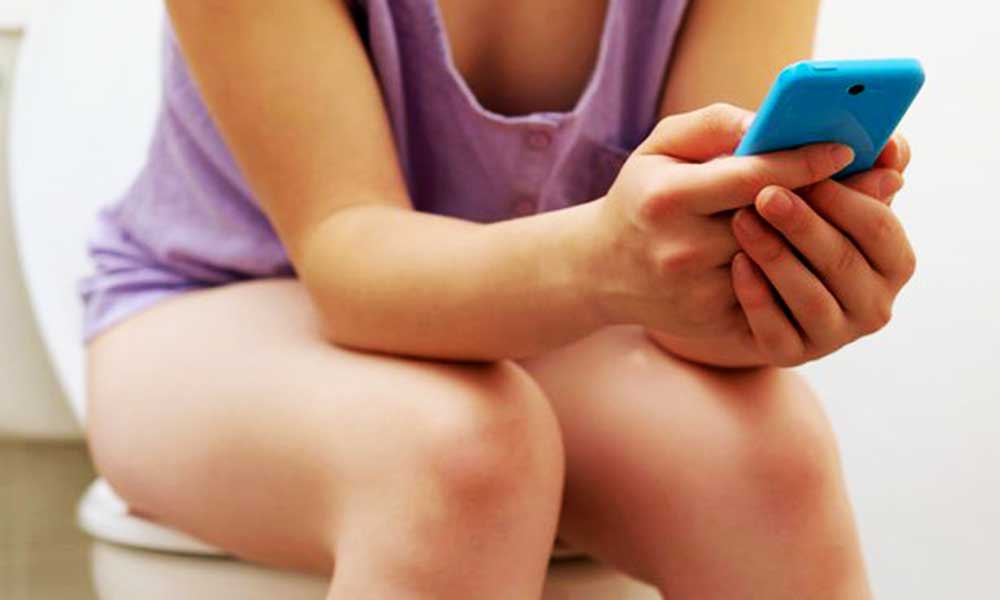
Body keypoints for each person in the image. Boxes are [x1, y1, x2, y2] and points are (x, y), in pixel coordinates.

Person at [80, 1, 915, 598]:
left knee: (764, 455)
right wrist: (614, 262)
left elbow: (682, 298)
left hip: (558, 319)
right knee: (458, 456)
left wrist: (763, 292)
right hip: (224, 307)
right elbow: (345, 256)